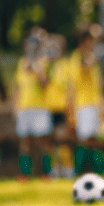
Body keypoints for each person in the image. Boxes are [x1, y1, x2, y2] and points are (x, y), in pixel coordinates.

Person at [13, 26, 52, 181]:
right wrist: (15, 108)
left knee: (43, 142)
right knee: (25, 142)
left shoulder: (45, 62)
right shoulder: (22, 63)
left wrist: (37, 69)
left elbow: (45, 83)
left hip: (40, 107)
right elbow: (17, 87)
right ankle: (24, 174)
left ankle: (46, 173)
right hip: (24, 107)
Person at [69, 22, 104, 175]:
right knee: (84, 139)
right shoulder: (78, 58)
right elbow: (85, 66)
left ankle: (98, 171)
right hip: (83, 105)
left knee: (95, 139)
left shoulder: (92, 57)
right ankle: (79, 171)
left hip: (94, 104)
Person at [43, 33, 74, 178]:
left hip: (61, 108)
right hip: (47, 108)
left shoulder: (65, 66)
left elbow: (70, 89)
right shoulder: (45, 66)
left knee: (62, 139)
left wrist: (70, 108)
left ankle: (67, 168)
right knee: (50, 141)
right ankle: (54, 168)